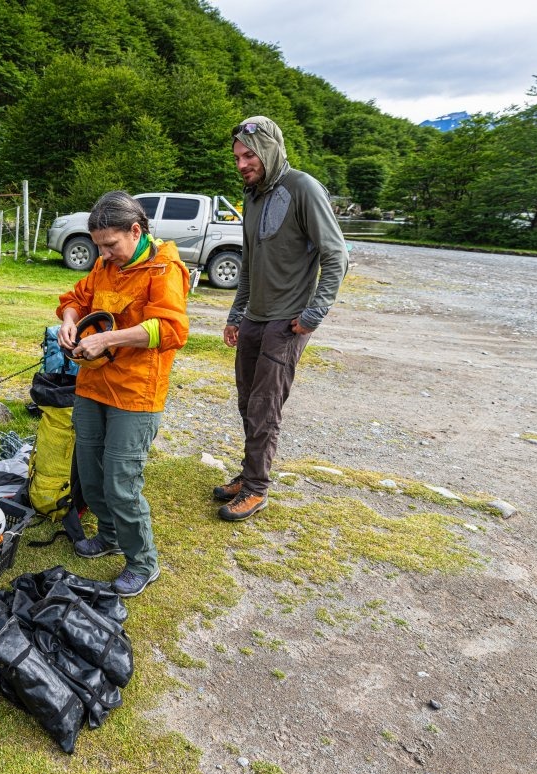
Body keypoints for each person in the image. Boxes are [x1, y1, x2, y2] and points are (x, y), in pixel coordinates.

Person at [57, 191, 189, 597]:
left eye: (110, 244)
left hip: (136, 394)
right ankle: (110, 535)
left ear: (135, 231)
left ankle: (143, 562)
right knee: (91, 472)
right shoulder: (105, 265)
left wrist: (107, 339)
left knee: (120, 481)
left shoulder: (164, 269)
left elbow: (170, 329)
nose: (104, 254)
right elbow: (76, 299)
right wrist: (69, 321)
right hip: (93, 385)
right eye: (99, 246)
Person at [216, 116, 348, 521]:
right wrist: (236, 314)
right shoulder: (252, 195)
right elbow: (249, 263)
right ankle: (248, 473)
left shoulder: (302, 187)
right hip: (254, 317)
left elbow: (336, 255)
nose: (241, 164)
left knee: (265, 406)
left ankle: (257, 488)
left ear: (270, 150)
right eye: (237, 157)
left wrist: (313, 314)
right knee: (247, 401)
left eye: (249, 155)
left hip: (287, 321)